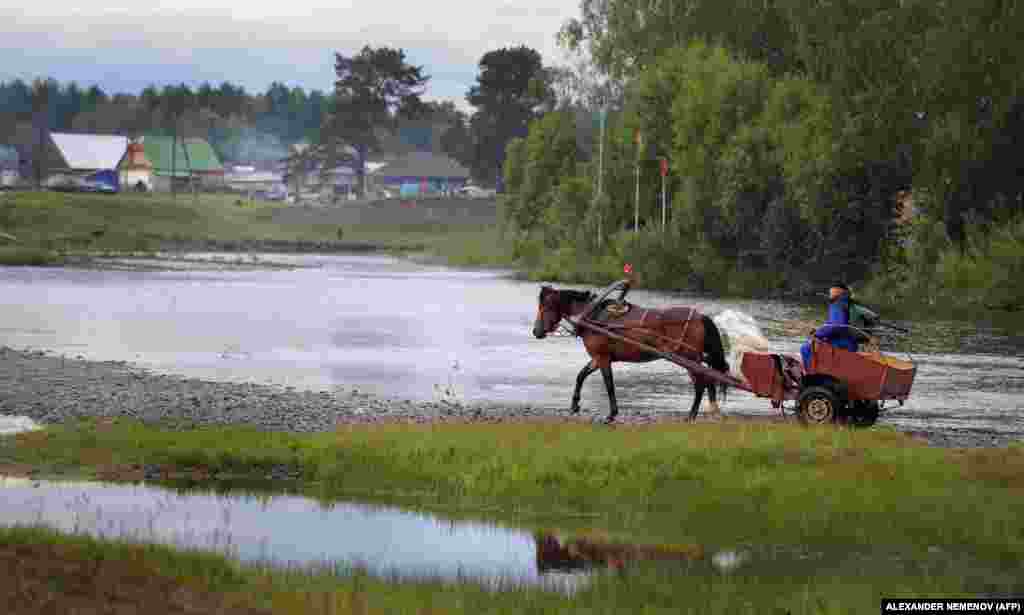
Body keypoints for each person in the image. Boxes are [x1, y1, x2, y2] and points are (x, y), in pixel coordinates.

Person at [801, 283, 872, 368]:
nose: (830, 294)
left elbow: (837, 326)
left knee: (806, 348)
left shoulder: (837, 304)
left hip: (840, 344)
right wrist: (820, 330)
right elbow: (836, 324)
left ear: (838, 292)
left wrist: (817, 334)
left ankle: (812, 373)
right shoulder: (849, 304)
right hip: (852, 345)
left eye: (832, 292)